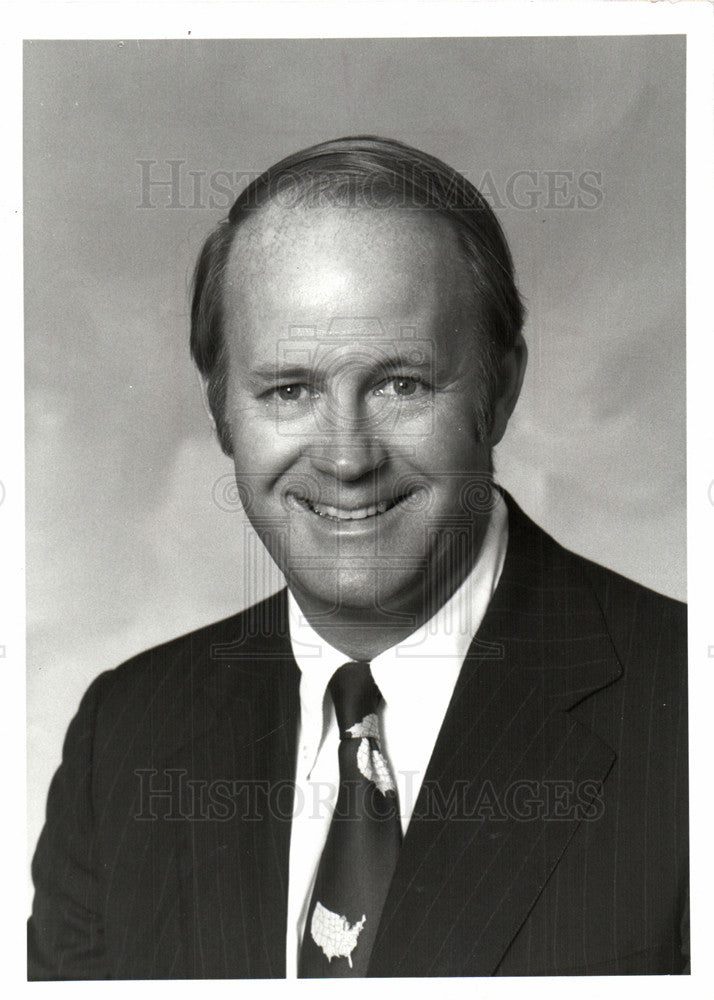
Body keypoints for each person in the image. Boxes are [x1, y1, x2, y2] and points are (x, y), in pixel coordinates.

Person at [28, 136, 688, 979]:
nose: (346, 457)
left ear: (502, 388)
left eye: (401, 384)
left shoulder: (684, 708)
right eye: (289, 390)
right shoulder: (125, 736)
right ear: (224, 413)